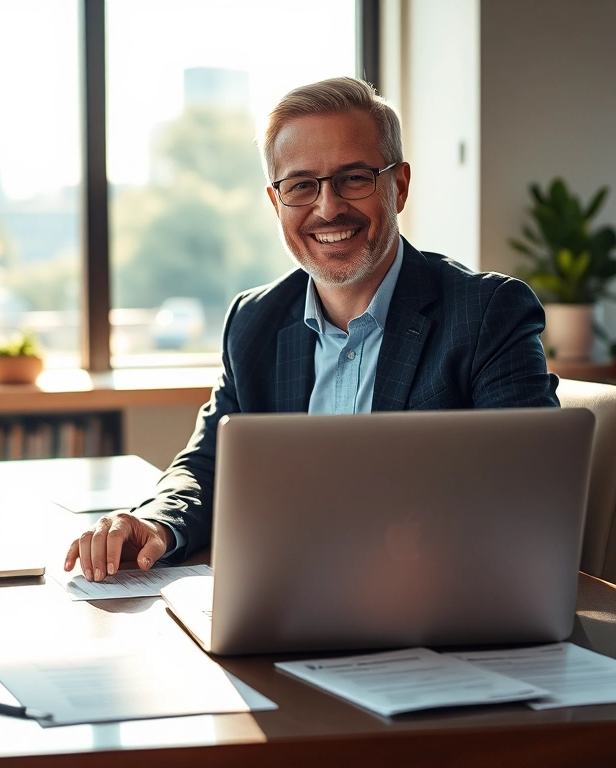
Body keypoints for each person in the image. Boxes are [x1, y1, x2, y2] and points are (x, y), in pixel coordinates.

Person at [65, 76, 559, 582]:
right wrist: (155, 523)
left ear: (400, 186)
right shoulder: (254, 322)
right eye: (302, 185)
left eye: (354, 178)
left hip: (438, 603)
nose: (328, 208)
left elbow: (530, 490)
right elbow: (210, 466)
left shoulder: (486, 313)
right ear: (276, 203)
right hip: (291, 603)